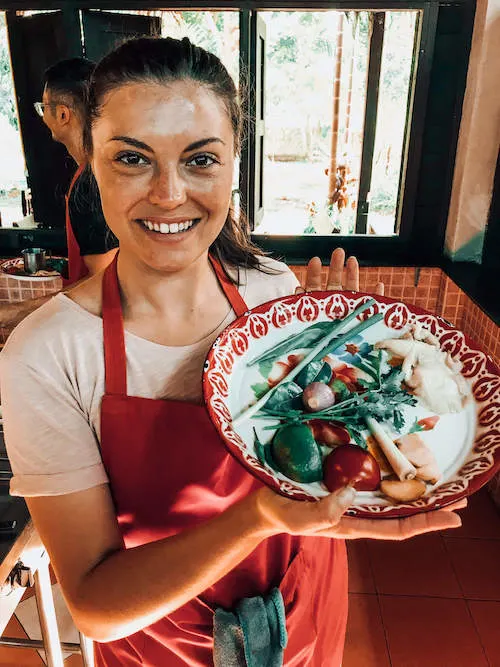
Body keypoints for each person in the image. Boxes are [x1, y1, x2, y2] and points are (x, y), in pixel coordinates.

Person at [0, 37, 463, 666]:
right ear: (92, 164)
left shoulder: (275, 291)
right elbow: (95, 607)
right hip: (164, 646)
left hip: (306, 607)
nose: (168, 193)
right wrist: (259, 519)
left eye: (200, 160)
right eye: (133, 158)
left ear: (233, 164)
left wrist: (341, 351)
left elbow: (316, 441)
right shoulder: (47, 355)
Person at [0, 58, 119, 329]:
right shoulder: (95, 171)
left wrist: (14, 313)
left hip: (101, 332)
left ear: (63, 114)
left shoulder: (90, 183)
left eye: (44, 108)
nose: (43, 117)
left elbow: (108, 285)